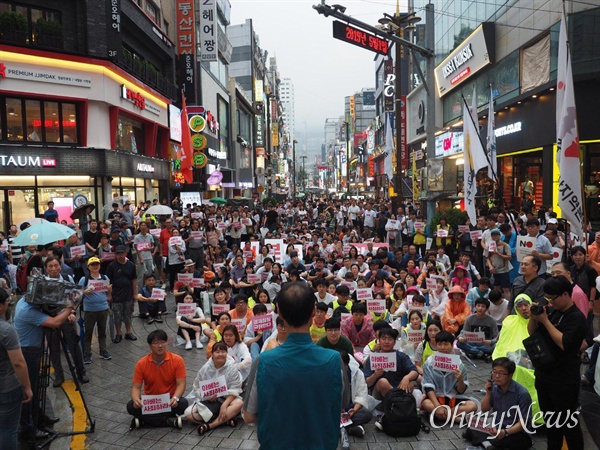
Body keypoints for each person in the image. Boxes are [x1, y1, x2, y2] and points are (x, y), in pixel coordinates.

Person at [243, 282, 342, 450]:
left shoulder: (263, 361)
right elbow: (339, 404)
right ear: (313, 312)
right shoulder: (334, 360)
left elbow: (249, 415)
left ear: (280, 312)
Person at [13, 259, 76, 440]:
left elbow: (51, 310)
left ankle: (39, 418)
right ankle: (28, 428)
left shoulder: (28, 303)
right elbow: (55, 322)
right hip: (28, 353)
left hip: (33, 349)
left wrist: (65, 310)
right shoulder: (27, 310)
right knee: (29, 390)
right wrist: (70, 307)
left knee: (38, 385)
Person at [527, 276, 586, 449]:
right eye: (548, 299)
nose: (551, 303)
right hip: (545, 376)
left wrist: (545, 320)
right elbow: (532, 333)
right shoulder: (552, 312)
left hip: (564, 380)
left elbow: (564, 343)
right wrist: (534, 317)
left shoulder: (576, 318)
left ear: (566, 294)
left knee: (569, 426)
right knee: (551, 424)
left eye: (553, 299)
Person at [463, 357, 533, 450]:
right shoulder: (495, 387)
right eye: (494, 372)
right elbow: (484, 409)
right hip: (496, 426)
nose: (496, 376)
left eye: (501, 373)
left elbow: (523, 423)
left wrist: (506, 432)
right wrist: (488, 393)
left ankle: (485, 443)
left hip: (516, 431)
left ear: (510, 375)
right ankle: (488, 445)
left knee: (514, 440)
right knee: (472, 426)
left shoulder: (522, 394)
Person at [127, 330, 188, 429]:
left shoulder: (177, 360)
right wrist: (136, 399)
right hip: (151, 402)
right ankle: (168, 421)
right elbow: (136, 387)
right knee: (131, 406)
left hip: (169, 400)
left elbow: (181, 384)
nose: (160, 346)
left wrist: (175, 398)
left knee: (183, 403)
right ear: (150, 346)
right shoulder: (141, 363)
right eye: (156, 343)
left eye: (162, 342)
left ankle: (145, 421)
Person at [185, 341, 244, 434]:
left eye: (223, 352)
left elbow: (236, 389)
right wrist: (207, 397)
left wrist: (224, 405)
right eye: (217, 352)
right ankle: (225, 420)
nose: (220, 354)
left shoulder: (232, 368)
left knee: (239, 403)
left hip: (227, 400)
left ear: (226, 353)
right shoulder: (205, 369)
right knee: (188, 414)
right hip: (209, 402)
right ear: (212, 354)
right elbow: (196, 387)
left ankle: (210, 425)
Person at [362, 327, 422, 417]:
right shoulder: (373, 358)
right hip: (380, 398)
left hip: (400, 390)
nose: (386, 342)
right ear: (378, 341)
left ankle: (399, 408)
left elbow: (414, 371)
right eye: (383, 339)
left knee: (410, 383)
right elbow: (367, 383)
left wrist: (407, 377)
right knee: (383, 382)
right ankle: (403, 408)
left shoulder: (401, 356)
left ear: (394, 342)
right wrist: (375, 375)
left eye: (390, 339)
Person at [0, 288, 33, 450]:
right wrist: (26, 386)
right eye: (7, 302)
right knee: (7, 431)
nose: (8, 305)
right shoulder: (6, 330)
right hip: (7, 388)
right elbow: (18, 362)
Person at [421, 331, 477, 422]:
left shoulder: (459, 364)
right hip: (436, 397)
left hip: (453, 398)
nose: (443, 348)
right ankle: (455, 419)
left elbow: (461, 391)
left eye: (446, 344)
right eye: (439, 344)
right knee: (426, 403)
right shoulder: (429, 362)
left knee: (472, 406)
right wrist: (437, 406)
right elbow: (428, 386)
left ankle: (442, 416)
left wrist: (460, 379)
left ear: (452, 345)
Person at [80, 257, 112, 364]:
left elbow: (108, 294)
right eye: (92, 264)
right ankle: (87, 354)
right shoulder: (84, 279)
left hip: (103, 308)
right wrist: (85, 292)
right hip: (89, 310)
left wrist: (109, 291)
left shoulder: (104, 277)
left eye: (97, 264)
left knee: (102, 331)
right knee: (88, 332)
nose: (95, 266)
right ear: (88, 267)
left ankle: (103, 351)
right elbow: (77, 293)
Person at [106, 245, 137, 343]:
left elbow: (134, 280)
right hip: (116, 295)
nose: (120, 255)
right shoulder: (111, 266)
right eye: (117, 253)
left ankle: (128, 332)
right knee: (117, 316)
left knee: (128, 314)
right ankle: (118, 333)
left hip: (128, 294)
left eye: (121, 253)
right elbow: (108, 282)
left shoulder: (131, 265)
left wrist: (135, 293)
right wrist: (109, 294)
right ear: (115, 254)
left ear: (126, 253)